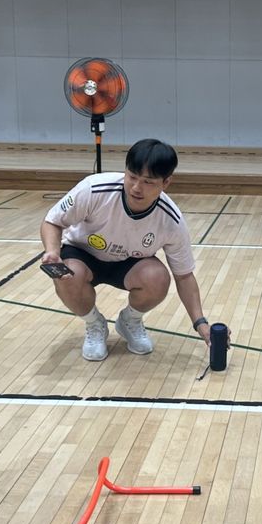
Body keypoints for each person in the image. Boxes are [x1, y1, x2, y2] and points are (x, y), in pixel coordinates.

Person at [41, 139, 212, 361]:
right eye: (132, 177)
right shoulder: (93, 189)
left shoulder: (171, 220)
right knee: (67, 276)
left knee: (158, 278)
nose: (136, 187)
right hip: (82, 253)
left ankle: (129, 321)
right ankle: (95, 324)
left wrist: (200, 323)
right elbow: (52, 221)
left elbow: (184, 276)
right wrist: (52, 251)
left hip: (129, 263)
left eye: (148, 182)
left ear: (166, 182)